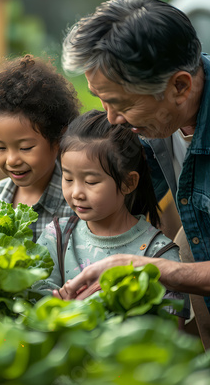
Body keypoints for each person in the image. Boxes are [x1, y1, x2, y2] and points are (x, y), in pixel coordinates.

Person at [57, 0, 210, 307]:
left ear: (179, 86)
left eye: (121, 104)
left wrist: (153, 267)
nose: (112, 118)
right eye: (100, 98)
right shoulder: (156, 119)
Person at [35, 110, 189, 321]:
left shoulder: (158, 252)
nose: (76, 193)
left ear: (128, 182)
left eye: (91, 182)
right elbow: (36, 304)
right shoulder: (57, 236)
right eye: (68, 179)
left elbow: (170, 328)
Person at [0, 54, 81, 241]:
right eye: (1, 147)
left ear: (58, 139)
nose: (12, 160)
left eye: (25, 148)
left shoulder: (76, 203)